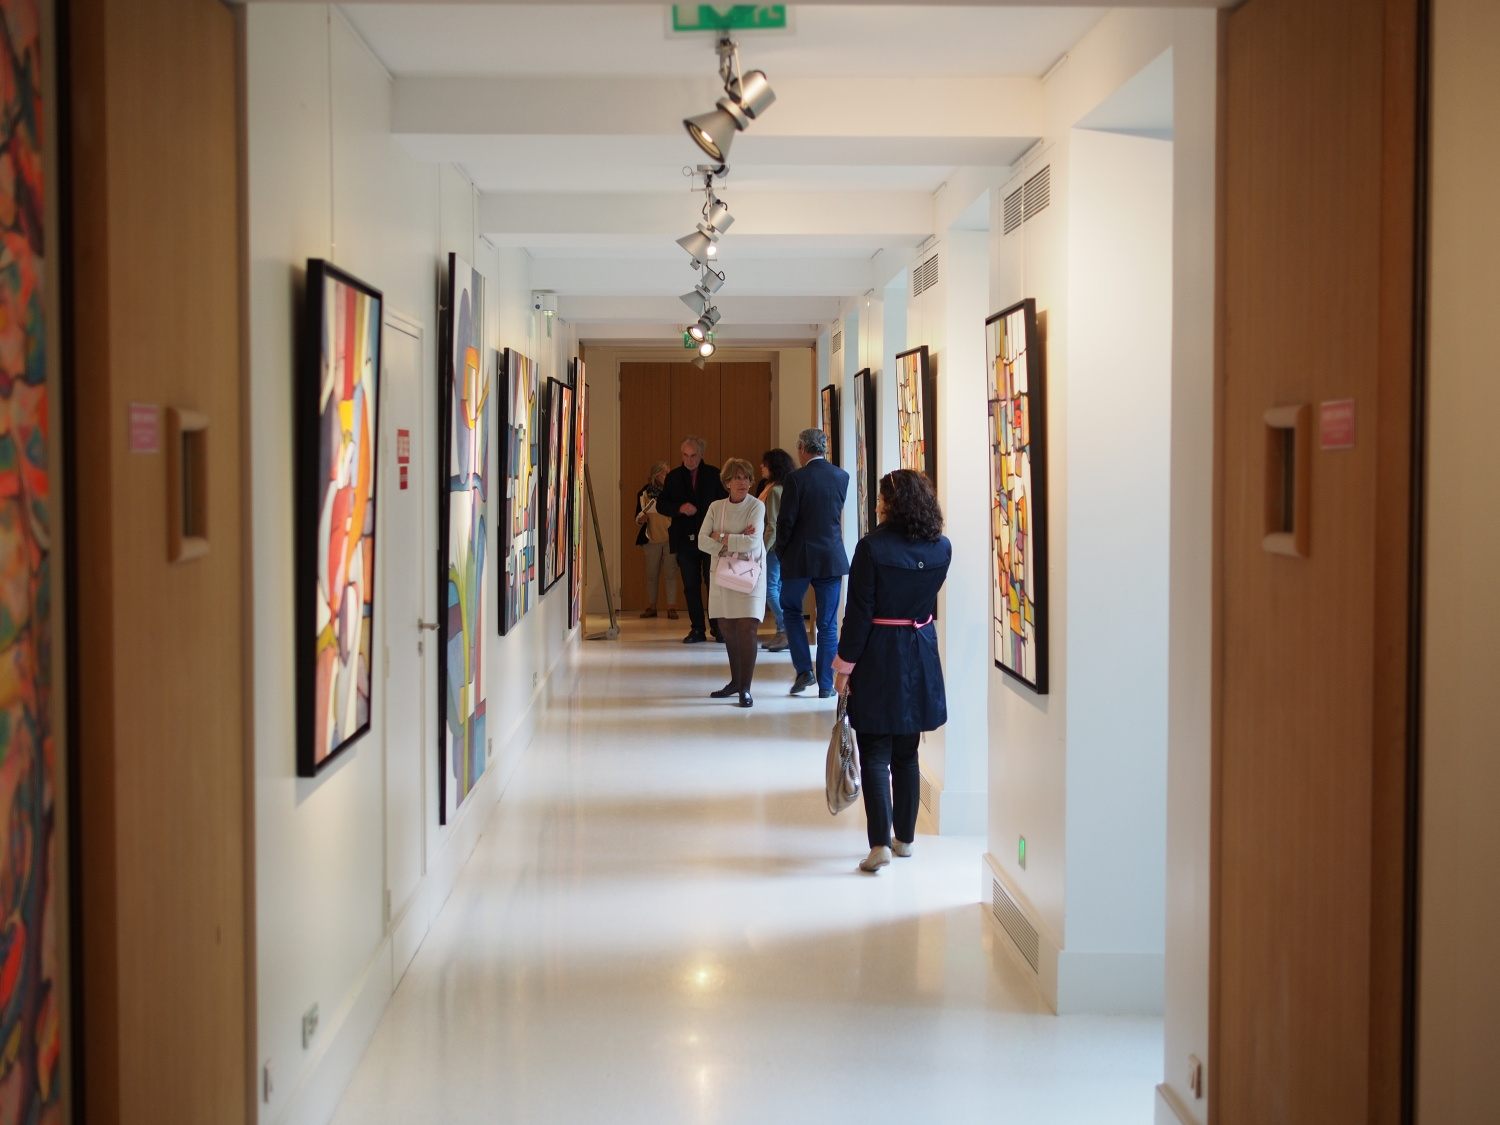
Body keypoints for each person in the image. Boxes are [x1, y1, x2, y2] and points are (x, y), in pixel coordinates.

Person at [832, 470, 951, 873]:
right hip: (919, 650)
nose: (879, 505)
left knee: (875, 751)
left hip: (879, 652)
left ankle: (879, 844)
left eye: (882, 499)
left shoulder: (872, 548)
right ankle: (906, 839)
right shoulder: (941, 548)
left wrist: (843, 666)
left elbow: (859, 615)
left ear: (890, 504)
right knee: (907, 752)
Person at [774, 427, 850, 698]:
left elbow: (786, 521)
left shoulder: (795, 479)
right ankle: (826, 685)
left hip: (799, 558)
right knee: (828, 623)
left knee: (791, 610)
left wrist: (780, 551)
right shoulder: (842, 476)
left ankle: (804, 671)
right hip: (831, 558)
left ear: (803, 448)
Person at [697, 458, 767, 708]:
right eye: (737, 478)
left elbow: (752, 542)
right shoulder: (716, 507)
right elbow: (702, 541)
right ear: (727, 482)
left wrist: (722, 537)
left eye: (746, 477)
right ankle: (735, 682)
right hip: (722, 575)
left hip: (750, 574)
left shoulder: (756, 506)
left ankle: (745, 688)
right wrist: (734, 540)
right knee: (728, 629)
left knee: (747, 628)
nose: (743, 482)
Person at [657, 435, 728, 644]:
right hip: (684, 539)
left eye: (693, 455)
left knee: (714, 585)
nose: (689, 460)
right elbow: (661, 505)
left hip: (711, 539)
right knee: (690, 585)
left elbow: (725, 504)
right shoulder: (673, 477)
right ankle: (697, 628)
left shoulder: (714, 474)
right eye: (685, 455)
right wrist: (679, 508)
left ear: (701, 454)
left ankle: (717, 628)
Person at [757, 448, 796, 653]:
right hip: (785, 547)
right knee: (777, 589)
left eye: (764, 464)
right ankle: (783, 631)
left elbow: (772, 525)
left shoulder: (773, 490)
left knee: (770, 589)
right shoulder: (784, 486)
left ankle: (785, 629)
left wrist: (761, 551)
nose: (761, 467)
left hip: (773, 547)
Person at [633, 461, 678, 619]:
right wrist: (641, 518)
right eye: (666, 473)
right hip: (651, 539)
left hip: (670, 539)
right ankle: (652, 607)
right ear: (657, 475)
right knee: (651, 574)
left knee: (670, 574)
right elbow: (637, 516)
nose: (668, 476)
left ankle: (671, 607)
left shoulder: (673, 491)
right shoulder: (644, 493)